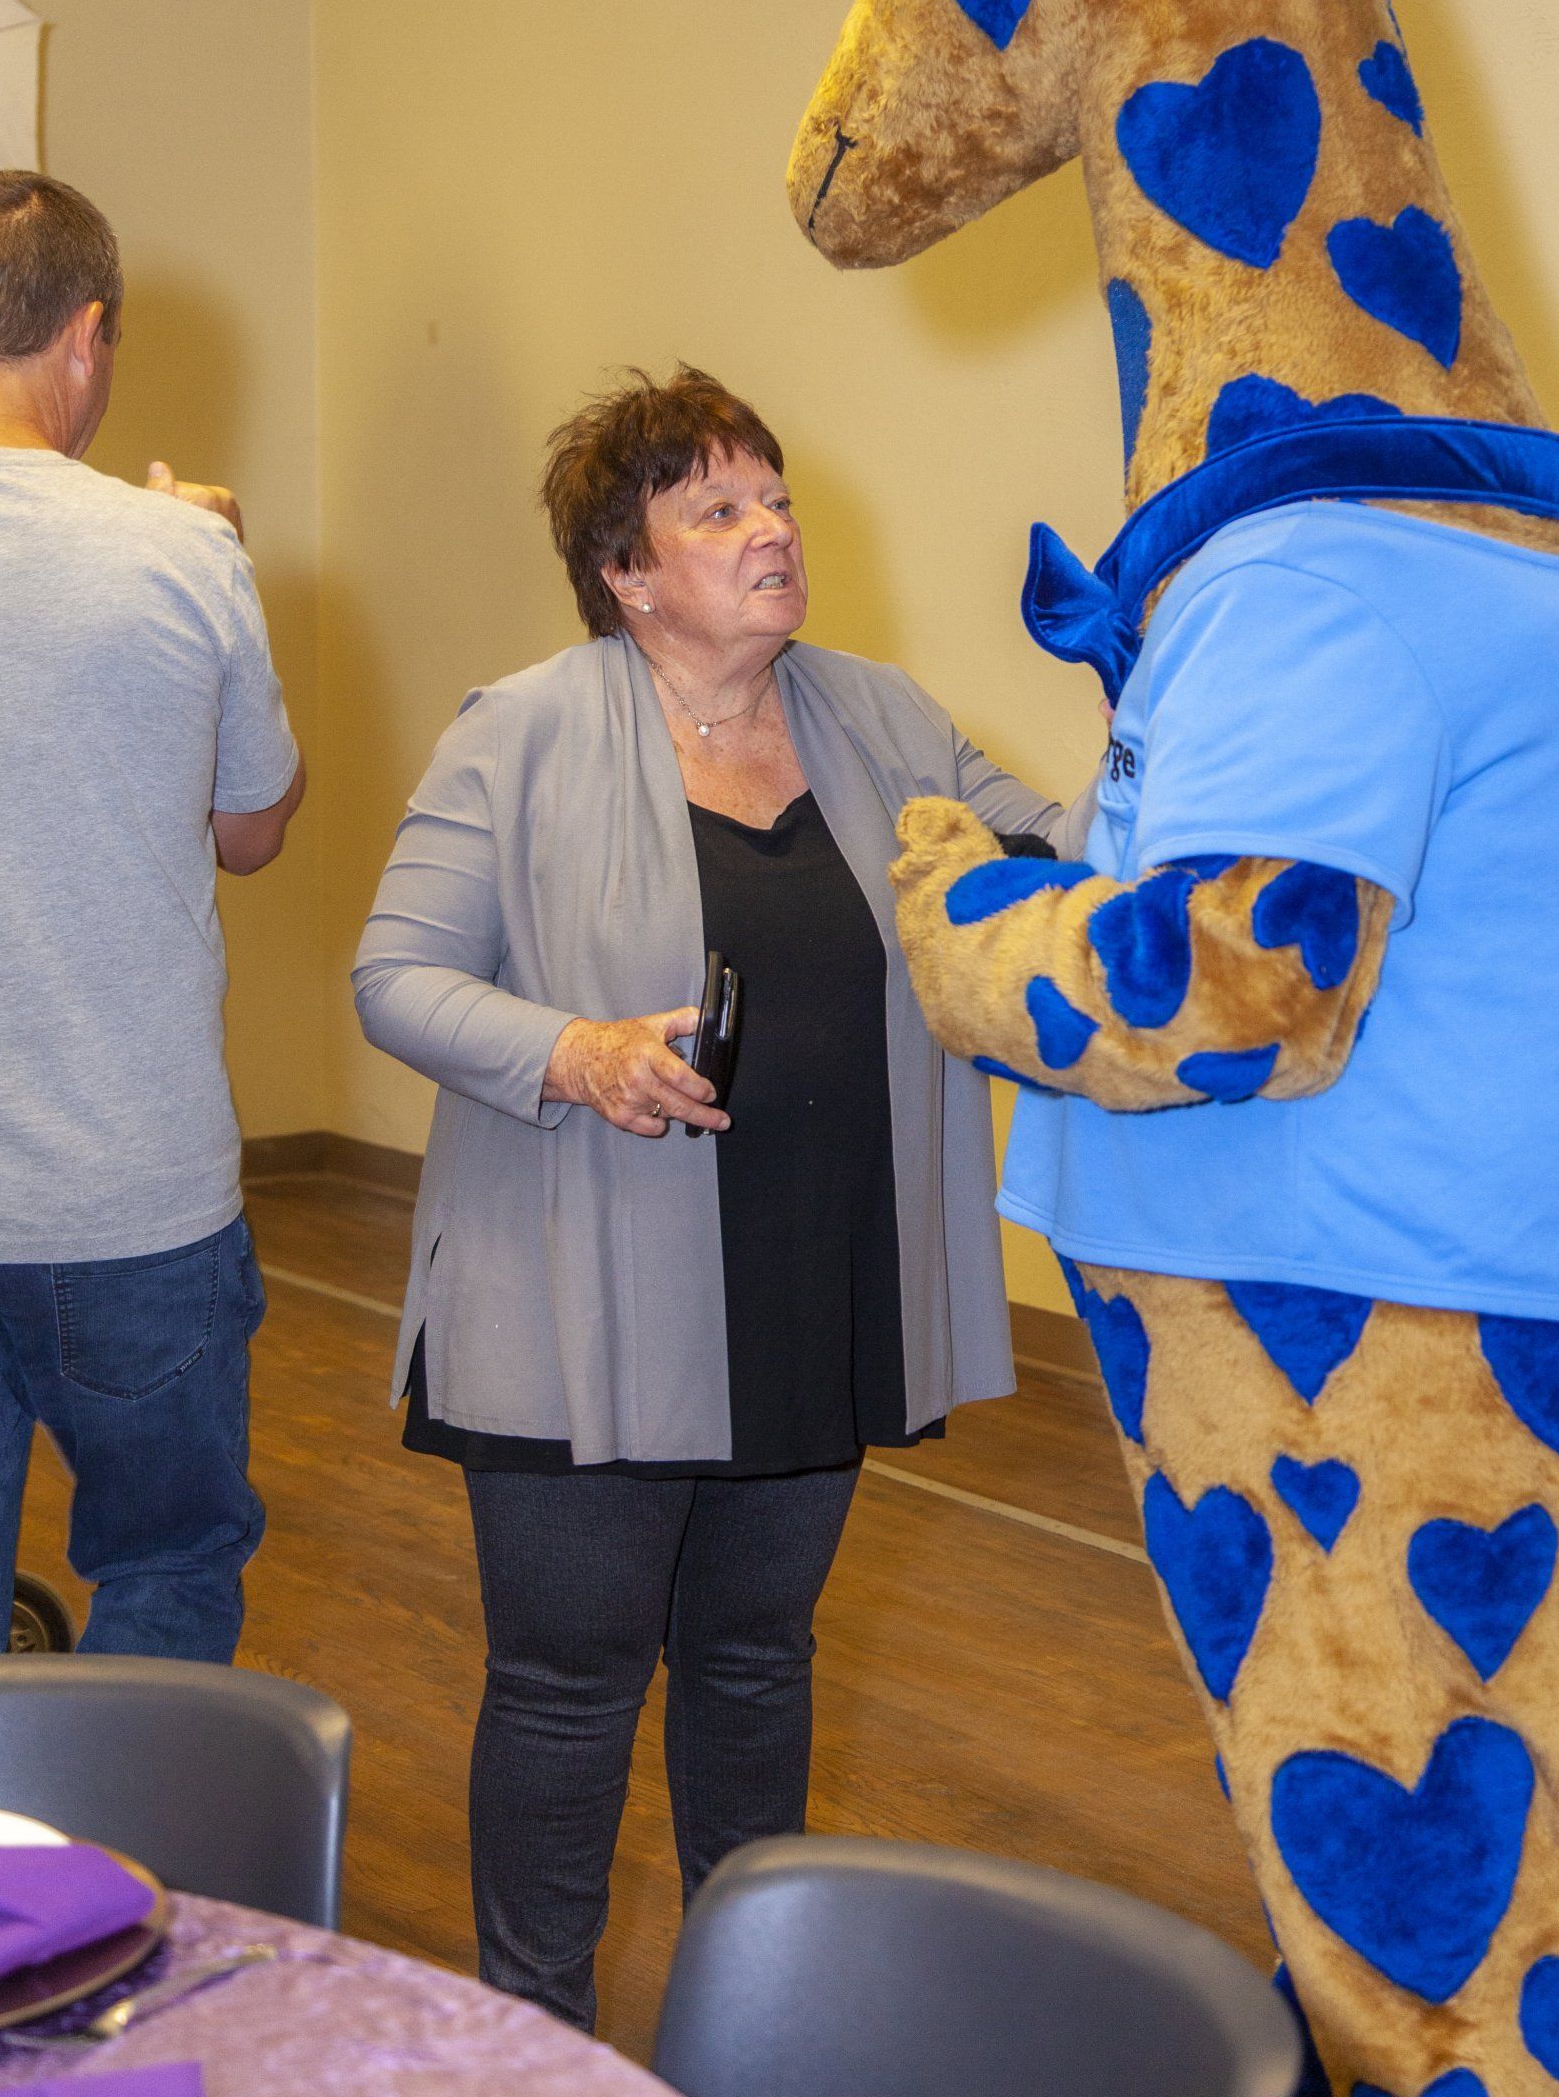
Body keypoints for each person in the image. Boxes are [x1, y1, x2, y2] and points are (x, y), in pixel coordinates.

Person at [353, 365, 1075, 2032]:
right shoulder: (521, 729)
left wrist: (1154, 700)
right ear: (626, 570)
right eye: (719, 509)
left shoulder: (881, 715)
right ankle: (533, 2038)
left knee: (756, 1667)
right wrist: (580, 1050)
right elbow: (396, 977)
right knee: (569, 1685)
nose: (773, 532)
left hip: (812, 1283)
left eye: (778, 498)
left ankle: (753, 2025)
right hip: (579, 1295)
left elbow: (1058, 862)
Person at [0, 170, 303, 1662]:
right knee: (166, 1566)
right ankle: (131, 1830)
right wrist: (207, 549)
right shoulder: (177, 555)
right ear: (86, 336)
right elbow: (253, 831)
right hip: (128, 1199)